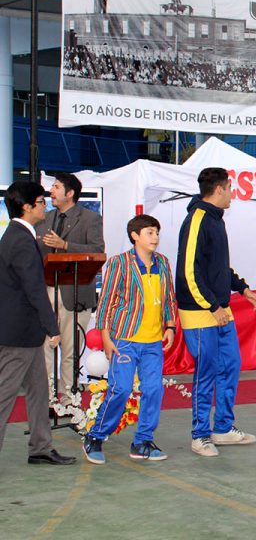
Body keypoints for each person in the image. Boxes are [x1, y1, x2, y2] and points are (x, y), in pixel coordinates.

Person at [176, 168, 256, 456]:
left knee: (230, 366)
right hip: (201, 314)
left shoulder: (215, 221)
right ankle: (200, 435)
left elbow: (216, 267)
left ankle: (223, 428)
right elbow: (189, 271)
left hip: (220, 311)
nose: (232, 194)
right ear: (218, 189)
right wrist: (212, 306)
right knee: (206, 372)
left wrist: (242, 287)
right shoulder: (197, 220)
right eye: (230, 188)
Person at [83, 215, 177, 464]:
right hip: (124, 339)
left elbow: (169, 297)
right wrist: (105, 337)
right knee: (121, 389)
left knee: (154, 389)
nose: (155, 237)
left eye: (157, 232)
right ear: (135, 235)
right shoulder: (119, 263)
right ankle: (95, 436)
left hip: (153, 341)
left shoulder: (163, 263)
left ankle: (143, 441)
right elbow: (105, 302)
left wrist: (170, 326)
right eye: (149, 232)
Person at [0, 181, 75, 465]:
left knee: (39, 391)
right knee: (4, 397)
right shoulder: (20, 239)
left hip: (24, 333)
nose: (46, 205)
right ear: (27, 206)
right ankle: (40, 446)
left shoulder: (18, 236)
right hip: (18, 335)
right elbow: (34, 290)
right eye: (42, 201)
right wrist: (52, 328)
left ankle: (40, 447)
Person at [36, 172, 105, 410]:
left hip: (74, 293)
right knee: (44, 347)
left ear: (70, 193)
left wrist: (65, 246)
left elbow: (97, 250)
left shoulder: (90, 218)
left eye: (55, 187)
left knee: (70, 349)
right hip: (46, 291)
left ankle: (67, 400)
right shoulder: (45, 219)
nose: (51, 192)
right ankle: (46, 398)